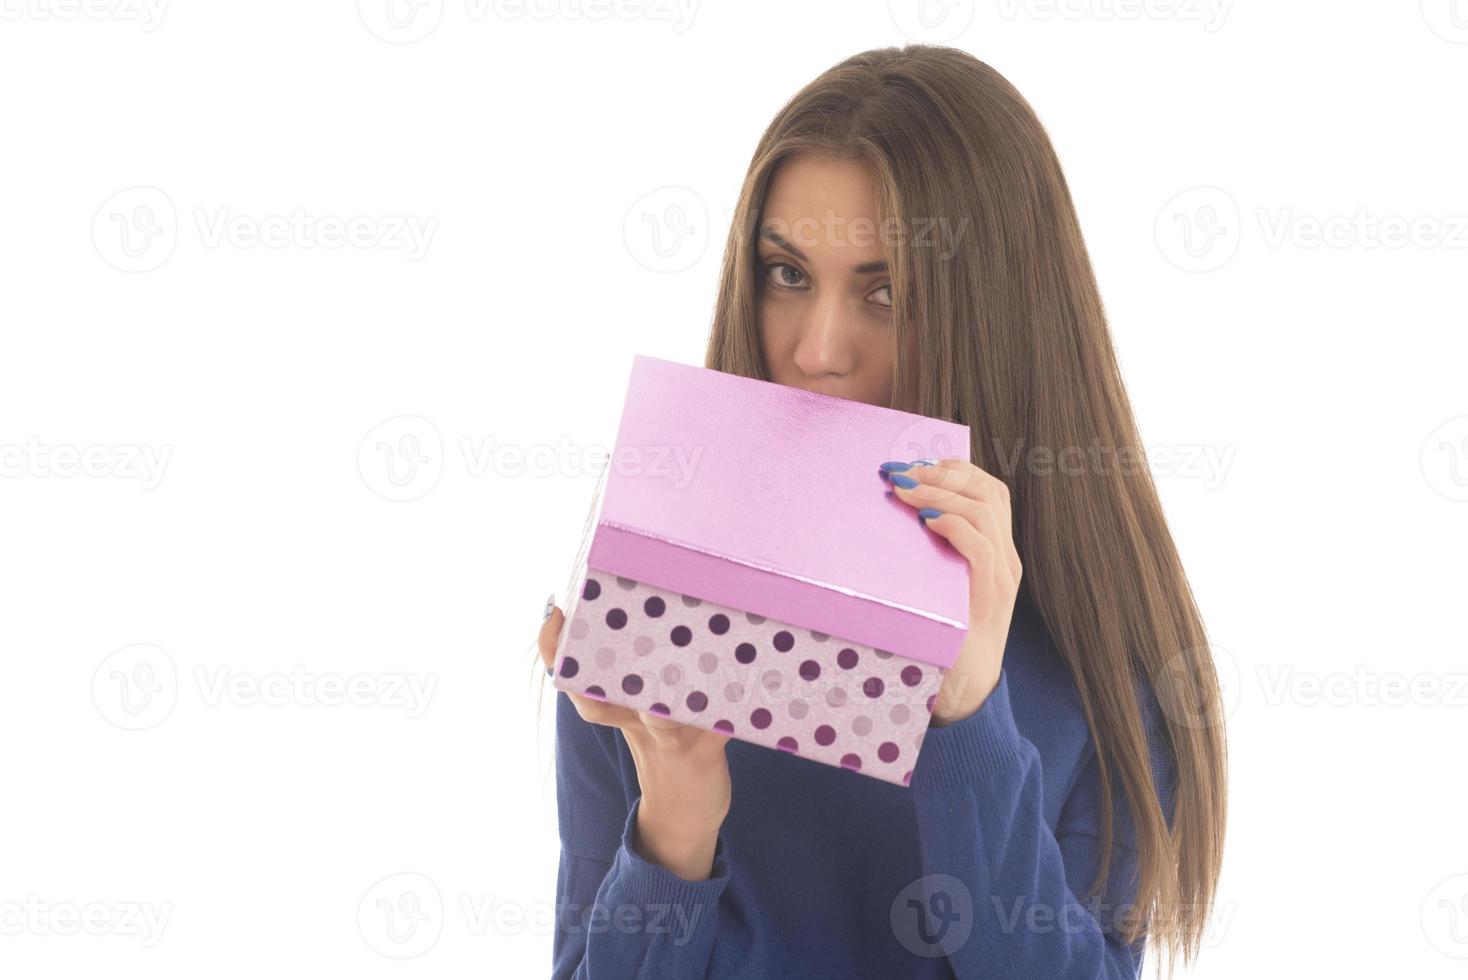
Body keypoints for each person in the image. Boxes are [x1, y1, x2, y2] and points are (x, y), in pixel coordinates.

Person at [535, 44, 1227, 978]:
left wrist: (967, 721)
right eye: (787, 274)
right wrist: (675, 823)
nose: (820, 350)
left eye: (886, 291)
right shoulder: (662, 612)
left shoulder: (1107, 667)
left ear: (999, 316)